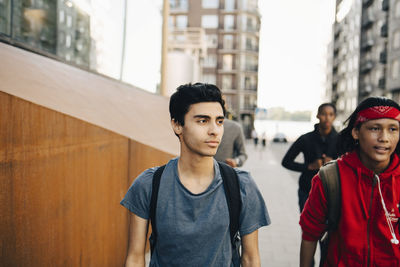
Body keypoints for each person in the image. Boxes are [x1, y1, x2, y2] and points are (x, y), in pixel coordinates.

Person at [120, 83, 270, 267]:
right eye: (203, 121)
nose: (214, 130)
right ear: (177, 125)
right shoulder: (149, 184)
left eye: (219, 121)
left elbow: (251, 259)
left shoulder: (242, 186)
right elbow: (135, 258)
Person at [300, 97, 400, 266]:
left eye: (393, 129)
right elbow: (310, 234)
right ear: (356, 132)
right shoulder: (331, 177)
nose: (384, 138)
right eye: (375, 128)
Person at [281, 103, 338, 212]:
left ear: (334, 117)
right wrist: (309, 166)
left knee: (332, 228)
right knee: (308, 227)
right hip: (307, 190)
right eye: (323, 114)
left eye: (330, 114)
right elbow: (286, 162)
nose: (327, 118)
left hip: (333, 193)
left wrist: (335, 163)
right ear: (317, 116)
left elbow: (351, 165)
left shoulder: (341, 140)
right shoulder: (305, 139)